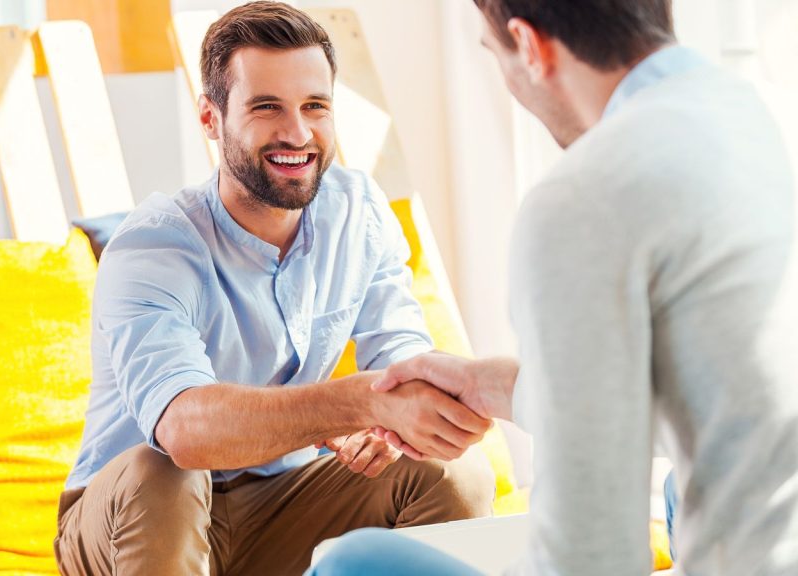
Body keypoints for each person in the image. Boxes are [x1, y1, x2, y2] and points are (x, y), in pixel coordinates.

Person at [312, 0, 797, 575]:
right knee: (676, 494)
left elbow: (593, 557)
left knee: (352, 562)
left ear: (531, 45)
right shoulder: (744, 109)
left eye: (498, 57)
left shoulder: (582, 198)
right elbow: (706, 392)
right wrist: (489, 385)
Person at [53, 3, 496, 575]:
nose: (298, 132)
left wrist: (399, 423)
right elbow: (184, 433)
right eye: (267, 108)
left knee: (453, 471)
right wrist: (361, 402)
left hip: (280, 502)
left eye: (315, 106)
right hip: (129, 520)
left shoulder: (358, 214)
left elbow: (402, 357)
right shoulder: (154, 246)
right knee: (163, 473)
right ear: (211, 119)